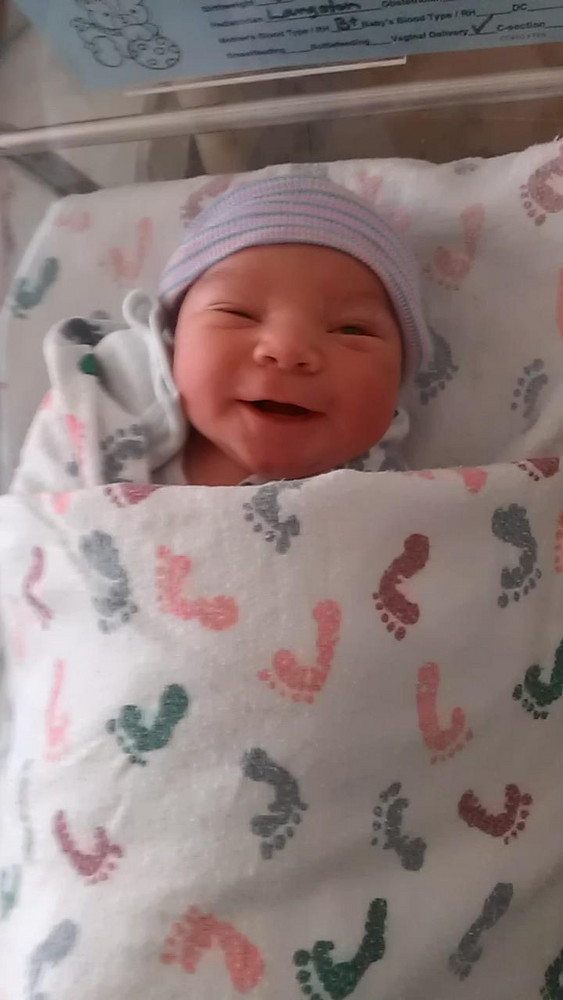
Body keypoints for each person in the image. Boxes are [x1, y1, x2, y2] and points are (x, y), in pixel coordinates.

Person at [11, 176, 433, 494]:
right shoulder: (105, 417)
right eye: (238, 313)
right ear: (170, 337)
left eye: (351, 330)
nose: (288, 350)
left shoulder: (399, 505)